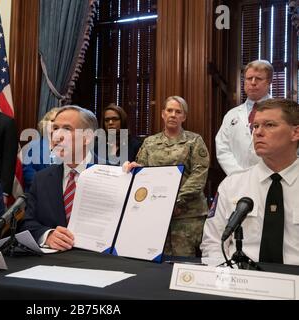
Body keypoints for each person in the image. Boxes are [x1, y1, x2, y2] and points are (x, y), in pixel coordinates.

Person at [201, 98, 299, 265]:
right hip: (240, 281)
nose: (258, 132)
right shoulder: (232, 184)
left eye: (270, 125)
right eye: (255, 126)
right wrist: (222, 283)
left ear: (295, 133)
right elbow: (214, 244)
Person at [126, 96, 210, 257]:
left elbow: (199, 175)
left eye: (178, 112)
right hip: (157, 214)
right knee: (157, 262)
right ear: (163, 114)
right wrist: (134, 170)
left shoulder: (194, 141)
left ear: (184, 117)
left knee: (184, 264)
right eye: (169, 110)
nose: (173, 114)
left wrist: (174, 201)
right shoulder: (150, 142)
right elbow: (142, 174)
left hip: (187, 216)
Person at [19, 105, 98, 251]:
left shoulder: (114, 174)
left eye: (67, 129)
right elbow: (27, 223)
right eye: (55, 128)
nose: (57, 136)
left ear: (87, 138)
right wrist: (47, 235)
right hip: (53, 262)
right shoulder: (41, 178)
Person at [216, 59, 273, 175]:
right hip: (237, 179)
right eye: (249, 78)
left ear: (269, 82)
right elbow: (222, 148)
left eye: (258, 79)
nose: (253, 82)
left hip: (272, 178)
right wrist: (239, 175)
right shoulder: (231, 115)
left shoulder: (281, 112)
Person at [21, 107, 59, 192]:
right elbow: (28, 173)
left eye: (58, 121)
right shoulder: (33, 146)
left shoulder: (68, 148)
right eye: (52, 120)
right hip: (38, 194)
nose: (55, 124)